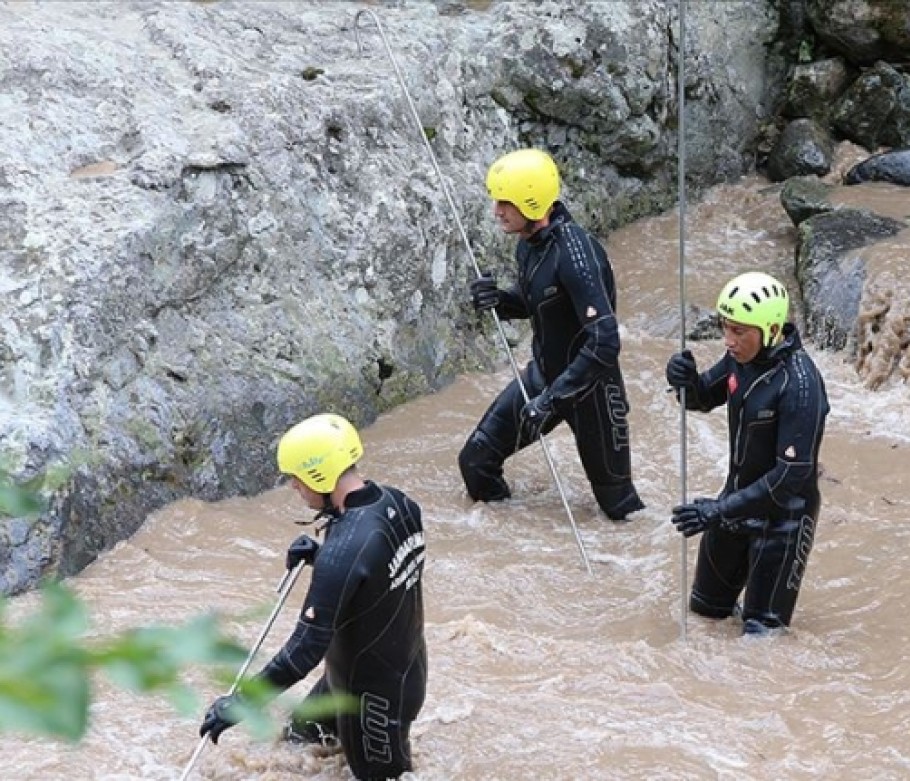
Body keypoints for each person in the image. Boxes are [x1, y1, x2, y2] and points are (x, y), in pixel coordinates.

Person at [200, 413, 427, 781]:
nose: (293, 486)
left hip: (370, 703)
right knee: (297, 740)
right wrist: (321, 555)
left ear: (318, 474)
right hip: (391, 671)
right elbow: (376, 576)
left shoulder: (344, 552)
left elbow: (303, 651)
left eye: (296, 477)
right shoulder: (401, 505)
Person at [458, 148, 644, 521]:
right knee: (476, 462)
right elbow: (538, 303)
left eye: (504, 202)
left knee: (620, 511)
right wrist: (501, 301)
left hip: (592, 394)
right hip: (544, 377)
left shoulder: (577, 256)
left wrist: (554, 397)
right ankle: (512, 540)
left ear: (530, 202)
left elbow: (605, 340)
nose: (497, 211)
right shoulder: (530, 245)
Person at [665, 272, 829, 636]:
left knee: (761, 640)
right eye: (726, 328)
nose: (729, 340)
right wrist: (684, 379)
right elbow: (701, 398)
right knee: (705, 614)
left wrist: (717, 511)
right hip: (735, 504)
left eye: (740, 331)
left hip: (783, 522)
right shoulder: (739, 360)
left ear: (770, 330)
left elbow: (790, 478)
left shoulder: (800, 386)